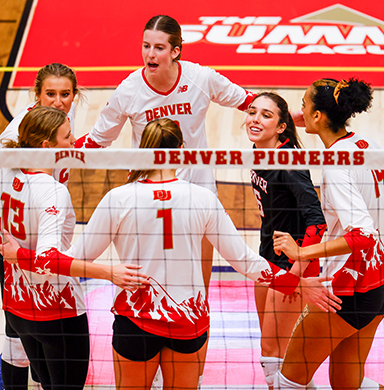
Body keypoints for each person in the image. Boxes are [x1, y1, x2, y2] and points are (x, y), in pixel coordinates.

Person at [46, 117, 341, 390]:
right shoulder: (204, 200)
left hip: (136, 320)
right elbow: (245, 261)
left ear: (141, 150)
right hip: (188, 323)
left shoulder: (118, 198)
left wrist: (23, 255)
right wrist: (297, 282)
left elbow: (73, 259)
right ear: (182, 151)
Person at [0, 106, 149, 390]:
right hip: (57, 311)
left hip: (18, 309)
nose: (72, 142)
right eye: (67, 137)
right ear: (46, 146)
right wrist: (109, 272)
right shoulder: (53, 190)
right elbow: (47, 260)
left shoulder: (7, 173)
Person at [273, 78, 384, 390]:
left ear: (319, 116)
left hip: (350, 287)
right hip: (379, 284)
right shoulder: (366, 144)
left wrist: (301, 253)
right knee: (346, 384)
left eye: (304, 106)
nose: (301, 112)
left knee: (289, 380)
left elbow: (364, 236)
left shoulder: (336, 165)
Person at [0, 62, 84, 390]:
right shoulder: (17, 135)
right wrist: (107, 271)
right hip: (27, 247)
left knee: (35, 348)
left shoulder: (61, 121)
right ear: (37, 95)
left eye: (66, 94)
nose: (59, 100)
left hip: (39, 228)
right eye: (51, 94)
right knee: (16, 338)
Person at [245, 92, 326, 389]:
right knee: (276, 353)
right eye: (252, 112)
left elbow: (317, 221)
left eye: (266, 115)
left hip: (290, 265)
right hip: (265, 258)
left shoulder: (289, 163)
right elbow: (271, 123)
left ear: (280, 127)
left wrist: (297, 270)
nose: (255, 119)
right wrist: (274, 118)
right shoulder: (259, 147)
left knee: (272, 353)